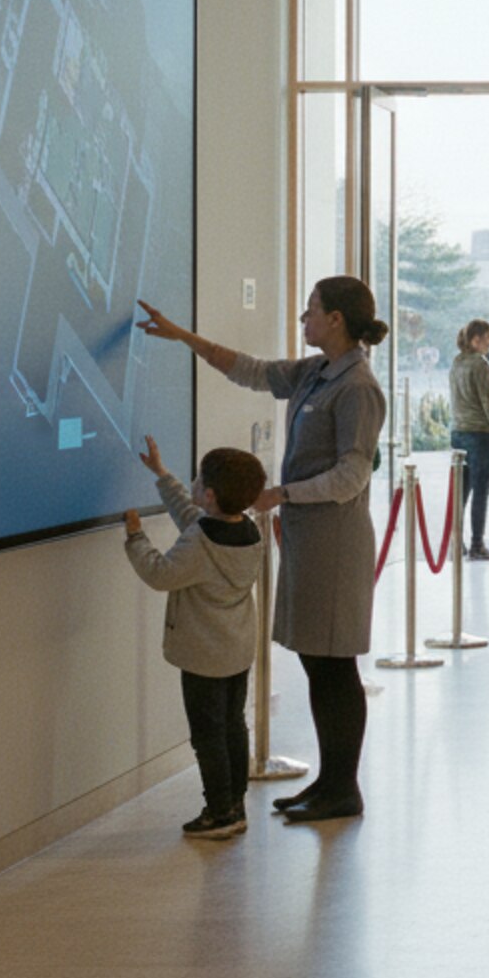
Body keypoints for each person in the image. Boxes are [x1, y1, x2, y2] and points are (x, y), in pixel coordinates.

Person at [137, 276, 388, 824]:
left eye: (311, 312)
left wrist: (280, 493)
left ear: (336, 320)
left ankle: (343, 787)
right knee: (318, 661)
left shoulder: (358, 388)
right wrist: (184, 337)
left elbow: (351, 475)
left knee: (333, 662)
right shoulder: (316, 371)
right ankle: (330, 782)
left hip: (336, 543)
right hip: (307, 537)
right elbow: (248, 369)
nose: (304, 320)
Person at [121, 436, 267, 841]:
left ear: (210, 494)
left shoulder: (202, 542)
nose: (195, 483)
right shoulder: (248, 531)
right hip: (236, 650)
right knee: (233, 726)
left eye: (198, 479)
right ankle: (235, 803)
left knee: (207, 735)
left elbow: (161, 574)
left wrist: (136, 537)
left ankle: (220, 813)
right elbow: (192, 518)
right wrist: (163, 476)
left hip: (204, 656)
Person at [450, 318, 489, 561]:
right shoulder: (481, 365)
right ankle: (477, 544)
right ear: (476, 339)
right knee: (481, 491)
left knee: (461, 491)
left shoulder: (457, 363)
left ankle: (456, 542)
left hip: (458, 432)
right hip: (480, 434)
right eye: (488, 338)